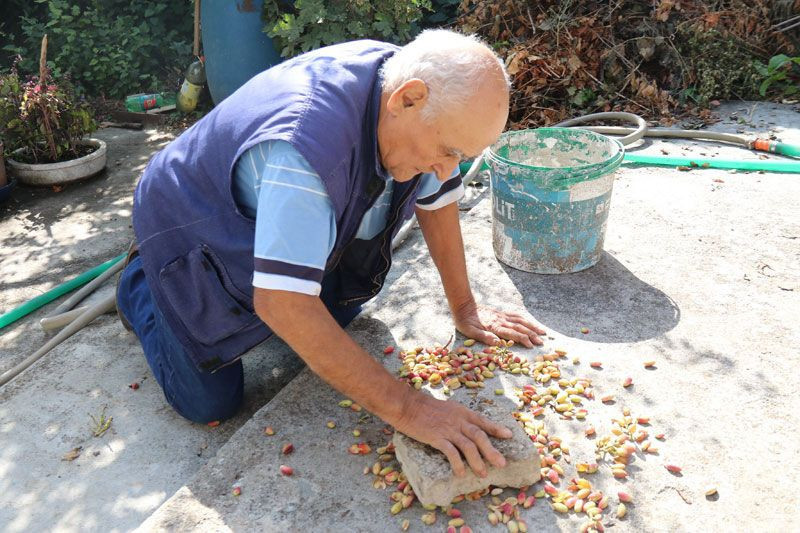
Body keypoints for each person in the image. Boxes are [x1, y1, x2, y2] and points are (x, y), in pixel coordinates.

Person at [116, 29, 546, 479]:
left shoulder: (417, 95)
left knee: (337, 319)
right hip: (189, 218)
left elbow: (436, 199)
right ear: (408, 100)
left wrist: (465, 307)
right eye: (447, 152)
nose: (448, 168)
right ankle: (140, 284)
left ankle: (273, 271)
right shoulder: (304, 154)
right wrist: (409, 407)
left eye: (462, 155)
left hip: (276, 203)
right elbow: (281, 304)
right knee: (210, 402)